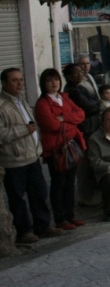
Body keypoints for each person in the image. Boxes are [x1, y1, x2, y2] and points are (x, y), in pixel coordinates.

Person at [0, 68, 63, 243]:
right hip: (14, 160)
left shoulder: (22, 101)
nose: (20, 84)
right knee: (18, 198)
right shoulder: (2, 106)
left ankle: (43, 226)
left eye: (21, 79)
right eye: (14, 80)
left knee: (39, 193)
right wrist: (23, 130)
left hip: (32, 157)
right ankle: (24, 231)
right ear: (4, 83)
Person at [34, 68, 87, 231]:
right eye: (50, 80)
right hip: (56, 149)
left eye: (56, 79)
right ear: (44, 84)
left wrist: (65, 118)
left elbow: (81, 114)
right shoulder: (42, 104)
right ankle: (60, 218)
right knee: (58, 184)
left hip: (71, 145)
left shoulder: (64, 97)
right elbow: (52, 125)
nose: (54, 83)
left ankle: (70, 215)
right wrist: (69, 123)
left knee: (70, 183)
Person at [63, 63, 101, 137]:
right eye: (76, 73)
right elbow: (90, 107)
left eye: (81, 72)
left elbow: (95, 99)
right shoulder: (73, 90)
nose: (80, 75)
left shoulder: (80, 87)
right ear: (69, 76)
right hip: (86, 126)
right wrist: (98, 105)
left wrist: (97, 104)